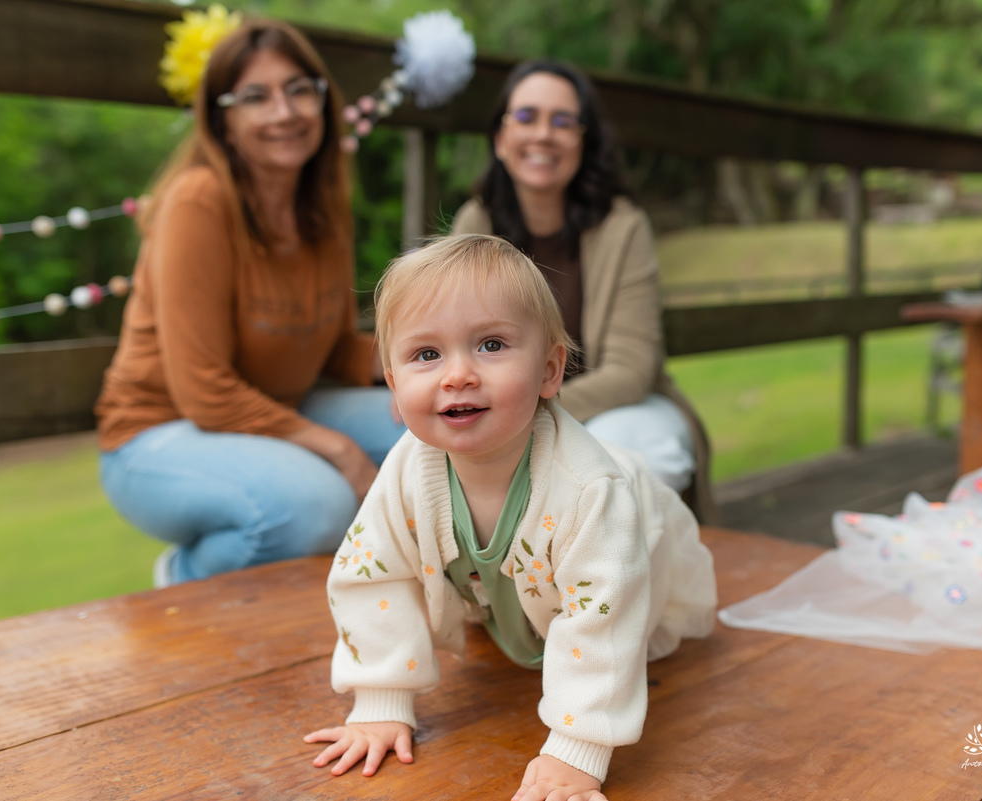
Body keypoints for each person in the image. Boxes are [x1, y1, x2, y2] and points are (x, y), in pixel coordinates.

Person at [303, 235, 716, 800]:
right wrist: (380, 700)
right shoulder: (406, 474)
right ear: (394, 387)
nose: (457, 375)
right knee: (496, 591)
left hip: (634, 546)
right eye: (426, 355)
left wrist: (578, 749)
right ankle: (514, 617)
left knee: (610, 620)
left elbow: (605, 612)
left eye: (491, 344)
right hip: (517, 584)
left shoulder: (589, 491)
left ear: (550, 371)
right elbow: (373, 573)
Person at [94, 21, 406, 586]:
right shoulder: (198, 201)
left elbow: (334, 348)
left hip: (274, 409)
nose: (284, 113)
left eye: (299, 90)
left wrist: (425, 367)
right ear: (224, 122)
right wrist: (338, 449)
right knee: (316, 505)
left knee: (440, 430)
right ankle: (185, 578)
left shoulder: (324, 205)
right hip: (157, 432)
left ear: (323, 101)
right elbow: (204, 390)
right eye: (255, 97)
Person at [450, 59, 715, 521]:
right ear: (500, 138)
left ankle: (615, 584)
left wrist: (528, 416)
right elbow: (452, 340)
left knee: (636, 455)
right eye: (527, 117)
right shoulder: (475, 223)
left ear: (583, 140)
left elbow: (631, 370)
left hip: (609, 406)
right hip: (501, 411)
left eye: (563, 121)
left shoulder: (622, 226)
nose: (543, 134)